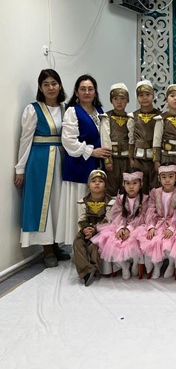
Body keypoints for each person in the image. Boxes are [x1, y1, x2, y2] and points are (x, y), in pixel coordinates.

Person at [14, 69, 68, 267]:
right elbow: (25, 139)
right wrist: (20, 168)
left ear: (59, 85)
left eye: (54, 83)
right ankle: (46, 249)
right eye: (46, 84)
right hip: (40, 161)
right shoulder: (33, 109)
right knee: (42, 203)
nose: (51, 88)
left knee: (58, 202)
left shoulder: (66, 109)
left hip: (62, 160)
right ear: (40, 88)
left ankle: (55, 244)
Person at [58, 75, 111, 245]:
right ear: (76, 92)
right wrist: (91, 151)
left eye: (90, 89)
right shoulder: (72, 111)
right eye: (83, 89)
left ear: (95, 92)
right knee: (81, 205)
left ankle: (95, 247)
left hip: (97, 165)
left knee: (97, 205)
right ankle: (78, 245)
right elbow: (68, 140)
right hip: (79, 165)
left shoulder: (100, 111)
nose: (87, 92)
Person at [91, 169, 149, 280]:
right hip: (121, 225)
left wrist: (129, 229)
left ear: (141, 184)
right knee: (111, 241)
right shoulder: (120, 198)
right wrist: (121, 228)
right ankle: (124, 266)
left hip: (138, 227)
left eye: (134, 183)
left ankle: (135, 262)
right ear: (123, 184)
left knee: (135, 240)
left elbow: (143, 217)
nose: (131, 186)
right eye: (128, 183)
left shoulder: (145, 199)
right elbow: (116, 215)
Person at [136, 164, 176, 279]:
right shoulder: (155, 192)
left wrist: (172, 228)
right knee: (151, 241)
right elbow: (150, 210)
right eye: (164, 177)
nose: (167, 180)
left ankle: (171, 264)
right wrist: (151, 226)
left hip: (174, 225)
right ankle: (157, 265)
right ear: (159, 178)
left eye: (170, 176)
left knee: (168, 244)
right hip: (158, 223)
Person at [72, 170, 114, 286]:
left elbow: (108, 219)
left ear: (105, 185)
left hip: (102, 230)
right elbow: (82, 218)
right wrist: (85, 229)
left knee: (94, 246)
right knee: (78, 242)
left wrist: (95, 229)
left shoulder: (110, 202)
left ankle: (95, 269)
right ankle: (86, 271)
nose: (97, 183)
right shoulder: (83, 202)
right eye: (93, 181)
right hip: (86, 228)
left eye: (101, 181)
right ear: (88, 185)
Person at [127, 80, 160, 192]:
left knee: (155, 187)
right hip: (138, 158)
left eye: (147, 94)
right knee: (140, 187)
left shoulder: (160, 116)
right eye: (141, 95)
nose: (144, 98)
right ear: (137, 97)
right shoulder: (133, 116)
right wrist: (131, 158)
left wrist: (157, 159)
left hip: (154, 159)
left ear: (153, 95)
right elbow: (131, 139)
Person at [99, 83, 131, 196]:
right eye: (115, 98)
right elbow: (105, 138)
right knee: (110, 188)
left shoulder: (131, 118)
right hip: (113, 158)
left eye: (122, 98)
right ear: (111, 100)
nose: (119, 102)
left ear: (127, 100)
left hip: (126, 159)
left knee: (127, 188)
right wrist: (108, 160)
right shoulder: (106, 117)